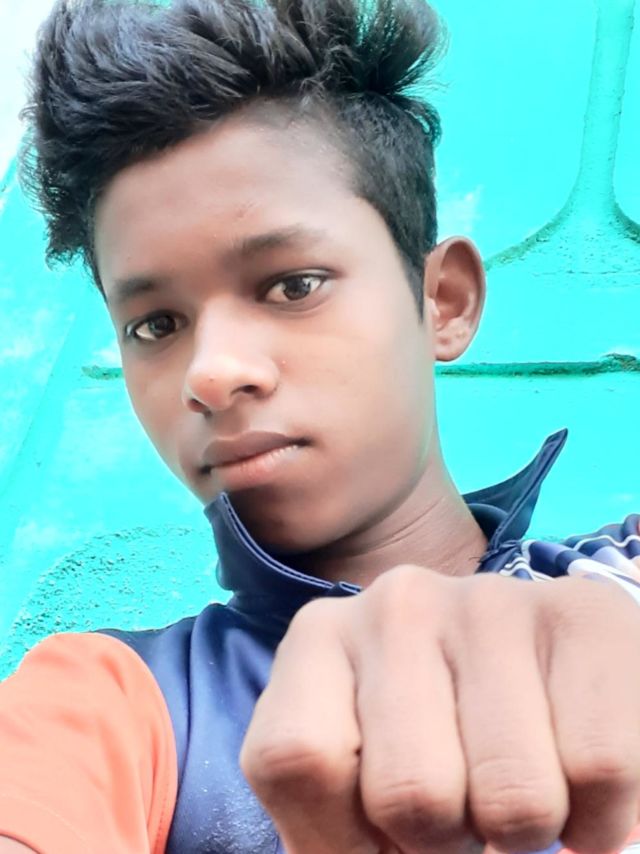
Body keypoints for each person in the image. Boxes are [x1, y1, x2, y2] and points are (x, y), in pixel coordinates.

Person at [1, 0, 640, 852]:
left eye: (292, 285)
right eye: (155, 325)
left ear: (444, 301)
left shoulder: (621, 587)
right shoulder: (102, 706)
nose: (210, 373)